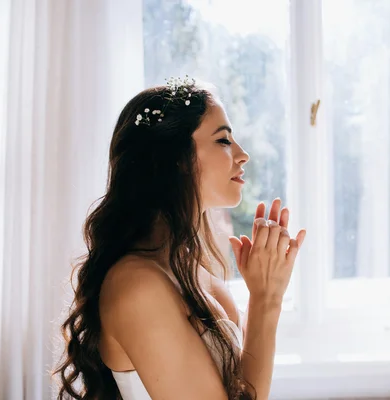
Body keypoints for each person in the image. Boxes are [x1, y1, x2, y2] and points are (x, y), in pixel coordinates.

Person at [53, 77, 306, 400]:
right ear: (178, 160)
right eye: (224, 140)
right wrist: (266, 302)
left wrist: (267, 295)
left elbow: (243, 392)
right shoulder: (138, 285)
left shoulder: (199, 275)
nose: (243, 155)